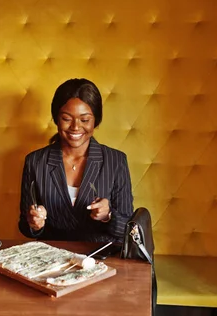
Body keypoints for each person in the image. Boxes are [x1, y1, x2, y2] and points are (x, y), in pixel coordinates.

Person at [18, 78, 134, 243]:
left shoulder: (115, 161)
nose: (75, 127)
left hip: (102, 258)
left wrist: (108, 215)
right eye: (66, 118)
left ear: (96, 120)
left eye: (84, 120)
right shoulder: (35, 162)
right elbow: (24, 225)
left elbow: (129, 228)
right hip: (51, 259)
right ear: (56, 118)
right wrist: (35, 223)